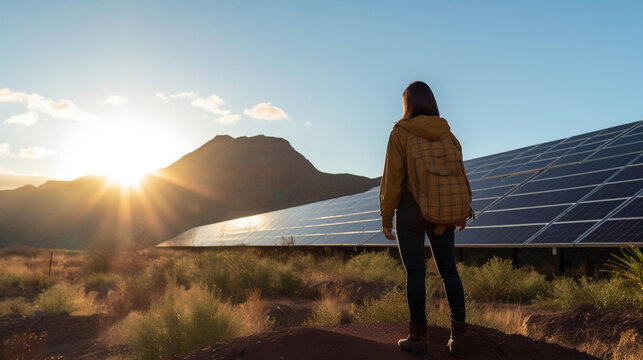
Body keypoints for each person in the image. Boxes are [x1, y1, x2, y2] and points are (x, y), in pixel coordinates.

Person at [380, 81, 469, 358]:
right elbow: (459, 172)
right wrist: (463, 209)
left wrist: (386, 215)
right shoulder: (448, 134)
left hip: (410, 210)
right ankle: (460, 337)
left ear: (409, 104)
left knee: (415, 273)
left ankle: (418, 337)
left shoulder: (400, 133)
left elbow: (392, 178)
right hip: (443, 211)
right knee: (449, 272)